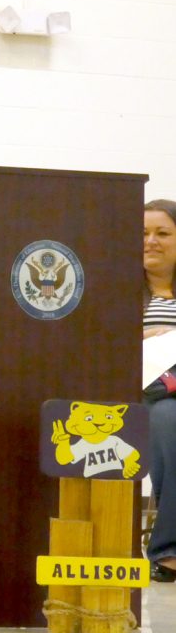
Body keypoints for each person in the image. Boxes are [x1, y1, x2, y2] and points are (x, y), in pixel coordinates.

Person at [143, 198, 176, 581]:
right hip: (145, 393)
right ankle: (168, 551)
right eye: (144, 233)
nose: (151, 241)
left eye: (162, 233)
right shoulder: (118, 291)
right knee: (170, 420)